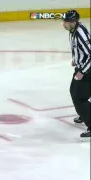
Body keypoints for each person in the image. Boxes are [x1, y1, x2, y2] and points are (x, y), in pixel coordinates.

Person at [63, 9, 91, 139]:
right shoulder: (73, 30)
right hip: (82, 67)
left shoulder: (80, 34)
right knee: (74, 91)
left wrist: (82, 71)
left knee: (79, 97)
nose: (64, 24)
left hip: (87, 70)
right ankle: (85, 113)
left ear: (74, 22)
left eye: (67, 21)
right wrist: (75, 59)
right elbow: (76, 48)